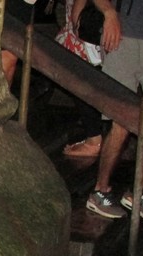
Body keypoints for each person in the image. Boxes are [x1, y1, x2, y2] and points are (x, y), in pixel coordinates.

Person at [86, 0, 143, 224]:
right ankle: (100, 190)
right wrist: (109, 13)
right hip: (122, 39)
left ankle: (140, 189)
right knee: (123, 120)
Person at [58, 0, 104, 157]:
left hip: (85, 25)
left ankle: (94, 139)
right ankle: (96, 134)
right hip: (87, 23)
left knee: (80, 80)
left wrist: (77, 22)